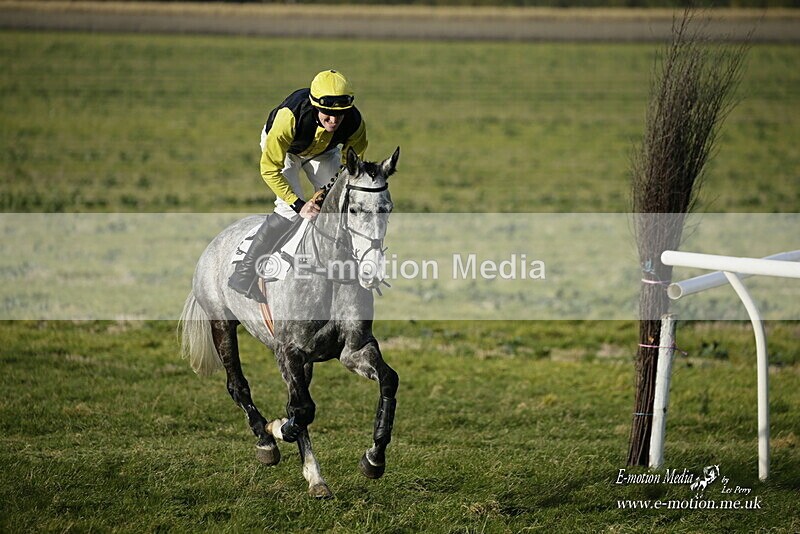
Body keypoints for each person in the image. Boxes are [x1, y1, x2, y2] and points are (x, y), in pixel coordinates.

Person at [228, 70, 368, 303]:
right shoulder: (288, 118)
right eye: (328, 114)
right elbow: (269, 169)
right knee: (288, 211)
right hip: (286, 151)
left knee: (339, 204)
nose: (334, 121)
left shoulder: (355, 123)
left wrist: (328, 191)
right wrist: (299, 204)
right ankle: (244, 273)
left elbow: (351, 169)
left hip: (323, 152)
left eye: (340, 114)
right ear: (315, 106)